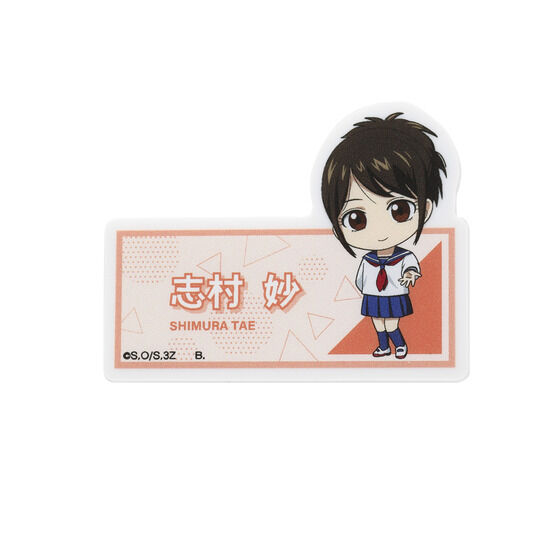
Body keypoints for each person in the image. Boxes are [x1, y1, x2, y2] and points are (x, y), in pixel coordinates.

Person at [321, 113, 446, 359]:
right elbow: (361, 281)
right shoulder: (368, 261)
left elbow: (412, 269)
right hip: (374, 295)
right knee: (378, 323)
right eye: (356, 219)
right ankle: (383, 346)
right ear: (337, 227)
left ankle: (399, 345)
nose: (379, 232)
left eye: (400, 211)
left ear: (425, 210)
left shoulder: (404, 257)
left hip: (394, 294)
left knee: (391, 323)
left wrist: (410, 275)